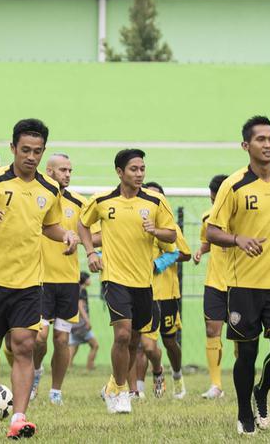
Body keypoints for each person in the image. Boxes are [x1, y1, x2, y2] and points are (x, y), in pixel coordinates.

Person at [0, 119, 80, 439]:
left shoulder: (50, 188)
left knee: (24, 346)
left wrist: (67, 235)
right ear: (12, 148)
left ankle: (19, 418)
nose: (31, 156)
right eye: (25, 150)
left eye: (37, 151)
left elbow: (49, 225)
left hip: (30, 282)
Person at [206, 115, 270, 435]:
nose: (268, 145)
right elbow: (212, 231)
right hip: (242, 284)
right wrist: (238, 239)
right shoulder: (233, 185)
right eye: (261, 139)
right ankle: (245, 411)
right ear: (246, 146)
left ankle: (261, 391)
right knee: (247, 353)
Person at [77, 148, 176, 416]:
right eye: (134, 169)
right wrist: (90, 252)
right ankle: (121, 391)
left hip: (143, 282)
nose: (139, 174)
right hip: (114, 279)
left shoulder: (155, 202)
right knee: (121, 334)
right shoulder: (103, 200)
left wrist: (156, 231)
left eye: (142, 169)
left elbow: (171, 236)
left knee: (133, 341)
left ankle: (111, 385)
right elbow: (82, 225)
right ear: (120, 172)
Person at [32, 152, 88, 406]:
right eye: (63, 170)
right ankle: (35, 374)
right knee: (39, 337)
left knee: (62, 338)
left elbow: (92, 236)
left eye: (70, 170)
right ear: (49, 171)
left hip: (67, 281)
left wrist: (78, 240)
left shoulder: (79, 203)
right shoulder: (38, 197)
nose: (67, 174)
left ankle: (56, 391)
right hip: (40, 279)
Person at [140, 182, 192, 400]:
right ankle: (139, 389)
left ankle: (177, 375)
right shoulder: (137, 224)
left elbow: (186, 253)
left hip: (168, 294)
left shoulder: (171, 228)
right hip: (143, 291)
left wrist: (164, 260)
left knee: (170, 342)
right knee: (144, 346)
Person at [193, 174, 229, 399]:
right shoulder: (207, 217)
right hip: (215, 283)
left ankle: (242, 378)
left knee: (241, 336)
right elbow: (208, 241)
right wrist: (201, 250)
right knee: (212, 330)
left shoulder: (243, 216)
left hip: (240, 282)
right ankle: (216, 385)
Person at [68, 272, 99, 373]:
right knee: (95, 345)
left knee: (74, 345)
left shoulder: (76, 289)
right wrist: (87, 321)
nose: (90, 280)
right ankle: (89, 366)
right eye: (89, 278)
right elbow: (80, 307)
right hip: (81, 324)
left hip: (74, 324)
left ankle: (68, 367)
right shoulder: (82, 291)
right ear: (84, 280)